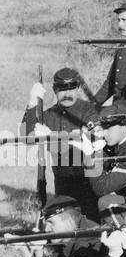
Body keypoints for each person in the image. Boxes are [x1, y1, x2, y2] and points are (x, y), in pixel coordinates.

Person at [21, 67, 99, 217]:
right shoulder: (50, 115)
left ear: (78, 89)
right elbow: (27, 137)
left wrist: (52, 136)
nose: (67, 94)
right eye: (62, 89)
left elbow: (89, 139)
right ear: (54, 90)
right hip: (62, 183)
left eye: (71, 88)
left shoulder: (89, 110)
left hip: (89, 182)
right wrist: (31, 104)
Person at [6, 196, 99, 257]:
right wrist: (38, 249)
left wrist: (23, 248)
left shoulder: (89, 239)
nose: (46, 229)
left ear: (68, 220)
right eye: (46, 224)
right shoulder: (69, 236)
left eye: (51, 223)